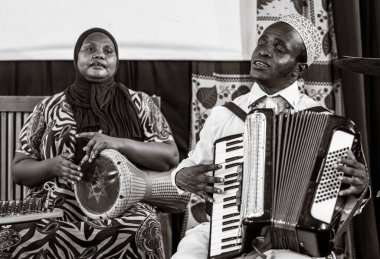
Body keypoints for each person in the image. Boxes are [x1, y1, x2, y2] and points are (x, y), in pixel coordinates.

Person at [171, 14, 369, 259]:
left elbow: (343, 206)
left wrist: (358, 188)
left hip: (296, 242)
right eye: (262, 44)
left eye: (279, 49)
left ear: (299, 69)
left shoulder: (328, 128)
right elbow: (192, 166)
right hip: (228, 232)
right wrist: (180, 176)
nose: (263, 52)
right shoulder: (225, 116)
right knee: (188, 252)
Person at [7, 28, 184, 258]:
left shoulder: (140, 103)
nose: (99, 55)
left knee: (142, 225)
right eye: (90, 49)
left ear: (117, 62)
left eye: (107, 51)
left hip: (124, 206)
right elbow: (19, 169)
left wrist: (118, 144)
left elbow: (169, 156)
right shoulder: (48, 108)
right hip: (59, 206)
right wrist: (51, 166)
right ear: (76, 58)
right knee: (14, 233)